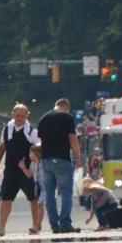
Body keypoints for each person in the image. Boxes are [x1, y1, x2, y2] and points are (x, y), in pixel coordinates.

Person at [0, 104, 40, 237]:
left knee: (33, 198)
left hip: (26, 170)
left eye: (23, 116)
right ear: (12, 115)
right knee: (6, 198)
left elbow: (39, 150)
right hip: (10, 170)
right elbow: (2, 147)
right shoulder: (6, 130)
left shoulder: (32, 132)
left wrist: (35, 166)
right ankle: (1, 226)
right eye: (17, 115)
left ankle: (35, 225)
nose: (20, 118)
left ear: (27, 116)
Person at [36, 97, 82, 234]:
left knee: (50, 194)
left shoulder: (43, 119)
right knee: (66, 192)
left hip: (46, 160)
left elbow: (41, 142)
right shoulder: (67, 118)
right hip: (62, 159)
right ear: (67, 107)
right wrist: (78, 158)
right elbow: (72, 140)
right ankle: (65, 223)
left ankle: (54, 225)